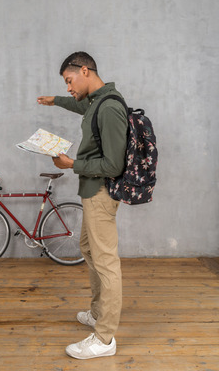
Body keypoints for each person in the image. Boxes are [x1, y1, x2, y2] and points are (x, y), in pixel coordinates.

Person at [37, 51, 128, 360]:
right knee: (89, 250)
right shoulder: (95, 102)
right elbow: (79, 106)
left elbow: (114, 164)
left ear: (85, 71)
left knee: (105, 261)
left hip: (101, 193)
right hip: (90, 191)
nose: (68, 88)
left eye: (69, 80)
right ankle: (97, 311)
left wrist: (70, 163)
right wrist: (55, 101)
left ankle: (104, 338)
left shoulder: (109, 107)